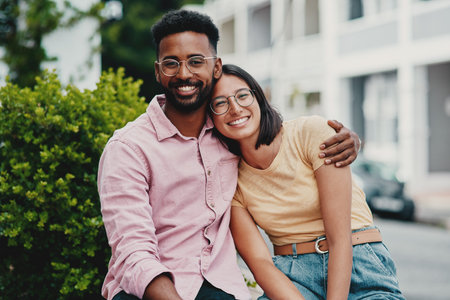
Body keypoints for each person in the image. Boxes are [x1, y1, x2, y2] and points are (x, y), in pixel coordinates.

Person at [97, 10, 361, 300]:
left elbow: (281, 138)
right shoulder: (128, 148)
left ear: (216, 67)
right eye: (172, 64)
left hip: (220, 286)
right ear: (158, 71)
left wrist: (348, 139)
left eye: (196, 62)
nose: (184, 74)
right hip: (149, 290)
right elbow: (133, 251)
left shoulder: (229, 134)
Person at [209, 64, 405, 300]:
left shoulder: (310, 132)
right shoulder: (231, 179)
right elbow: (260, 262)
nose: (235, 108)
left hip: (357, 264)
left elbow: (339, 238)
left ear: (259, 98)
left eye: (242, 96)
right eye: (220, 103)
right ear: (211, 118)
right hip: (294, 278)